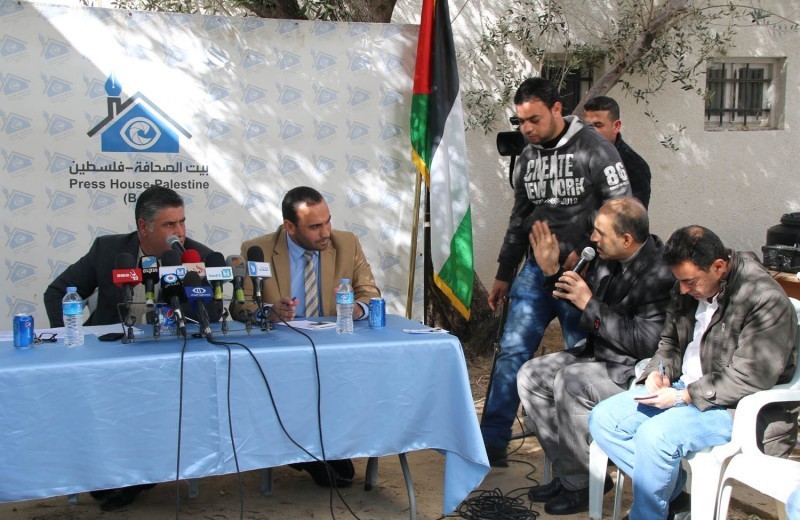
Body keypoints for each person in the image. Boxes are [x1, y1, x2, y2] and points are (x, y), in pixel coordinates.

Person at [589, 225, 799, 520]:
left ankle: (648, 514)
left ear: (719, 267)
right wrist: (658, 371)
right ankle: (673, 499)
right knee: (603, 419)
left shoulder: (763, 298)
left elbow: (750, 377)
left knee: (655, 436)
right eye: (680, 281)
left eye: (690, 281)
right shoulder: (688, 287)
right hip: (683, 388)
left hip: (735, 407)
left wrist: (683, 396)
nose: (684, 290)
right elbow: (669, 343)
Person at [482, 77, 632, 466]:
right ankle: (491, 443)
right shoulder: (527, 157)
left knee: (582, 359)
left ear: (557, 109)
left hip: (583, 275)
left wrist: (584, 256)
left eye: (534, 119)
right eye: (520, 122)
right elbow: (520, 218)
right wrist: (503, 273)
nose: (527, 129)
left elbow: (623, 212)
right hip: (535, 272)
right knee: (512, 350)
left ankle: (592, 455)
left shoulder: (595, 149)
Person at [43, 185, 213, 511]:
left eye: (182, 222)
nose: (179, 232)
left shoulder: (196, 256)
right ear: (143, 226)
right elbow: (58, 291)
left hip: (163, 360)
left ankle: (137, 479)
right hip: (107, 357)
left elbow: (212, 315)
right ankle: (105, 472)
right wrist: (69, 336)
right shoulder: (108, 250)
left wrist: (194, 287)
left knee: (159, 403)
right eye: (169, 224)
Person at [517, 197, 674, 515]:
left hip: (633, 369)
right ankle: (574, 474)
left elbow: (645, 343)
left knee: (570, 380)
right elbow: (579, 301)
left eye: (600, 233)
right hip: (600, 354)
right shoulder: (607, 258)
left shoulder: (660, 275)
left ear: (626, 239)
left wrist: (590, 304)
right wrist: (553, 272)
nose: (592, 238)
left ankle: (580, 485)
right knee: (531, 375)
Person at [229, 185, 380, 487]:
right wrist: (268, 312)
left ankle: (322, 444)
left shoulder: (347, 243)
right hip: (283, 357)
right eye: (314, 227)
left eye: (328, 221)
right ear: (289, 227)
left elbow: (369, 292)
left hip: (334, 354)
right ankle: (300, 450)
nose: (325, 232)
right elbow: (239, 305)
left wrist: (355, 309)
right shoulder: (257, 249)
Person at [583, 96, 652, 208]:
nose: (590, 131)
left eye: (598, 125)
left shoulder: (635, 166)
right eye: (587, 126)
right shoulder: (572, 155)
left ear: (616, 126)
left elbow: (633, 215)